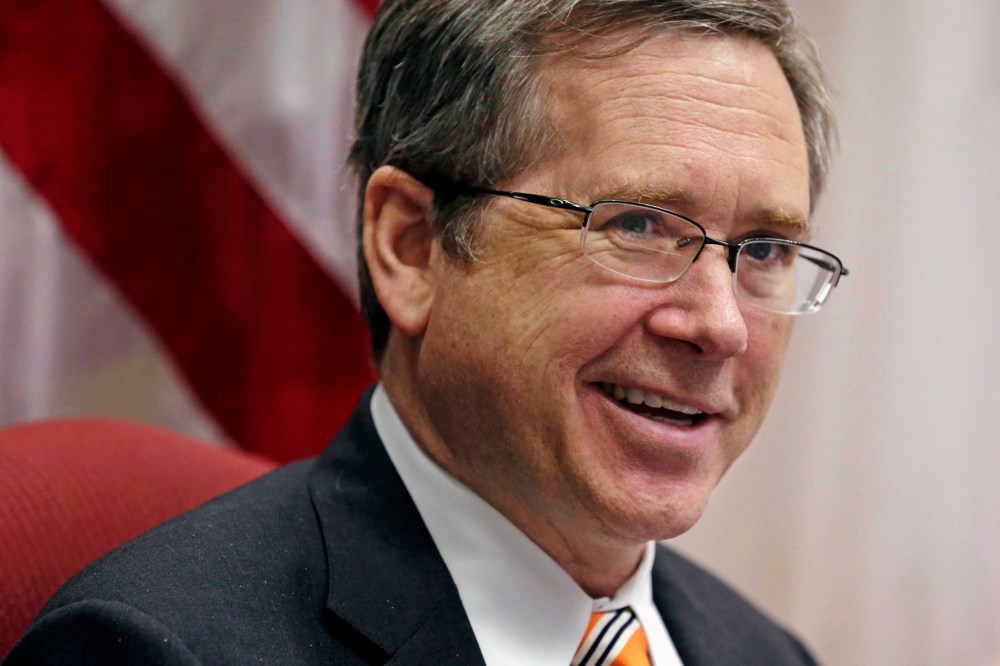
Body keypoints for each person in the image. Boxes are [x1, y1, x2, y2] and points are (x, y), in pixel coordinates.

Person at [6, 0, 849, 664]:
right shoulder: (161, 649)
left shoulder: (765, 654)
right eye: (635, 226)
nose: (719, 324)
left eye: (765, 249)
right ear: (411, 247)